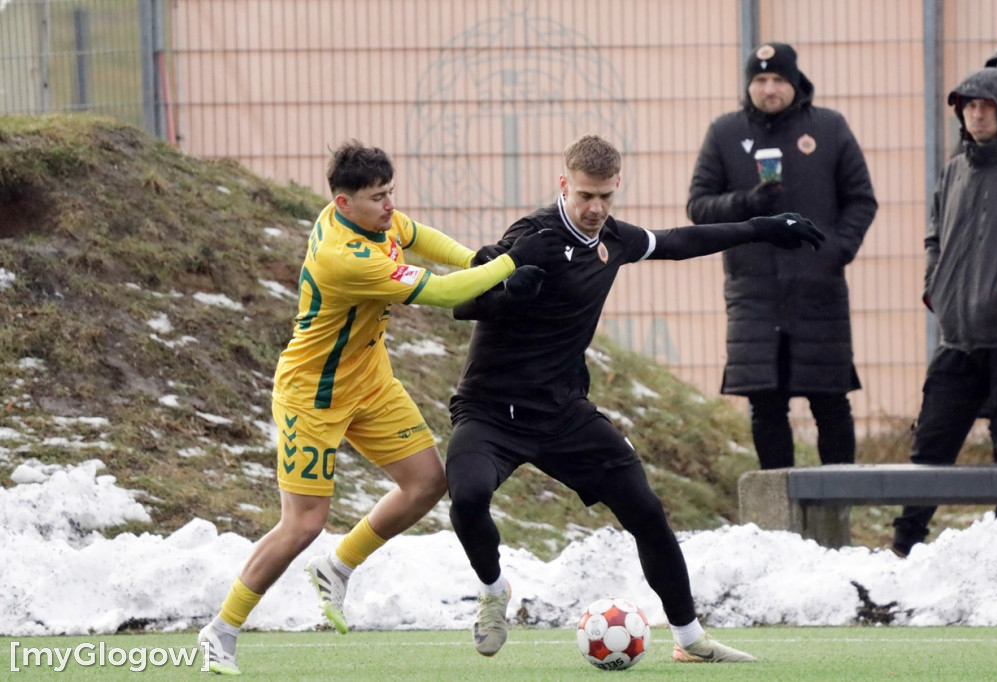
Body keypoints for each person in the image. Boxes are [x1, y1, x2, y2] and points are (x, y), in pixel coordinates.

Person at [446, 133, 825, 663]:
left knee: (646, 511)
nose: (595, 208)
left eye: (605, 196)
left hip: (562, 414)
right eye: (584, 196)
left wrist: (762, 228)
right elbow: (462, 302)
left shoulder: (615, 239)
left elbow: (677, 241)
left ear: (616, 186)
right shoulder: (530, 237)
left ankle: (691, 640)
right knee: (466, 497)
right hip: (490, 411)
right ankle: (493, 590)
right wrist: (508, 293)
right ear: (564, 185)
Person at [196, 140, 564, 674]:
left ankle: (338, 568)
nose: (390, 205)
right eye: (378, 197)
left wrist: (476, 258)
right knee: (303, 524)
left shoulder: (373, 218)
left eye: (391, 192)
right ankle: (220, 631)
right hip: (313, 396)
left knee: (426, 484)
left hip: (369, 381)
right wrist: (509, 263)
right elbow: (441, 295)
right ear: (344, 204)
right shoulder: (344, 257)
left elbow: (418, 236)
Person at [686, 42, 878, 471]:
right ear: (748, 85)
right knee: (766, 406)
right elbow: (699, 207)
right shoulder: (725, 132)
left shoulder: (829, 129)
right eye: (759, 80)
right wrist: (747, 202)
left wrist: (834, 251)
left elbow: (861, 200)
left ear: (795, 83)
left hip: (819, 291)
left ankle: (838, 511)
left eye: (778, 80)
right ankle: (778, 518)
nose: (769, 89)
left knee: (830, 401)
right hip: (754, 292)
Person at [889, 67, 997, 557]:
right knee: (931, 445)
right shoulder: (955, 168)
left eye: (986, 105)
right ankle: (903, 550)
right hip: (956, 336)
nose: (976, 113)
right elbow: (934, 234)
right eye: (968, 106)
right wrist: (934, 287)